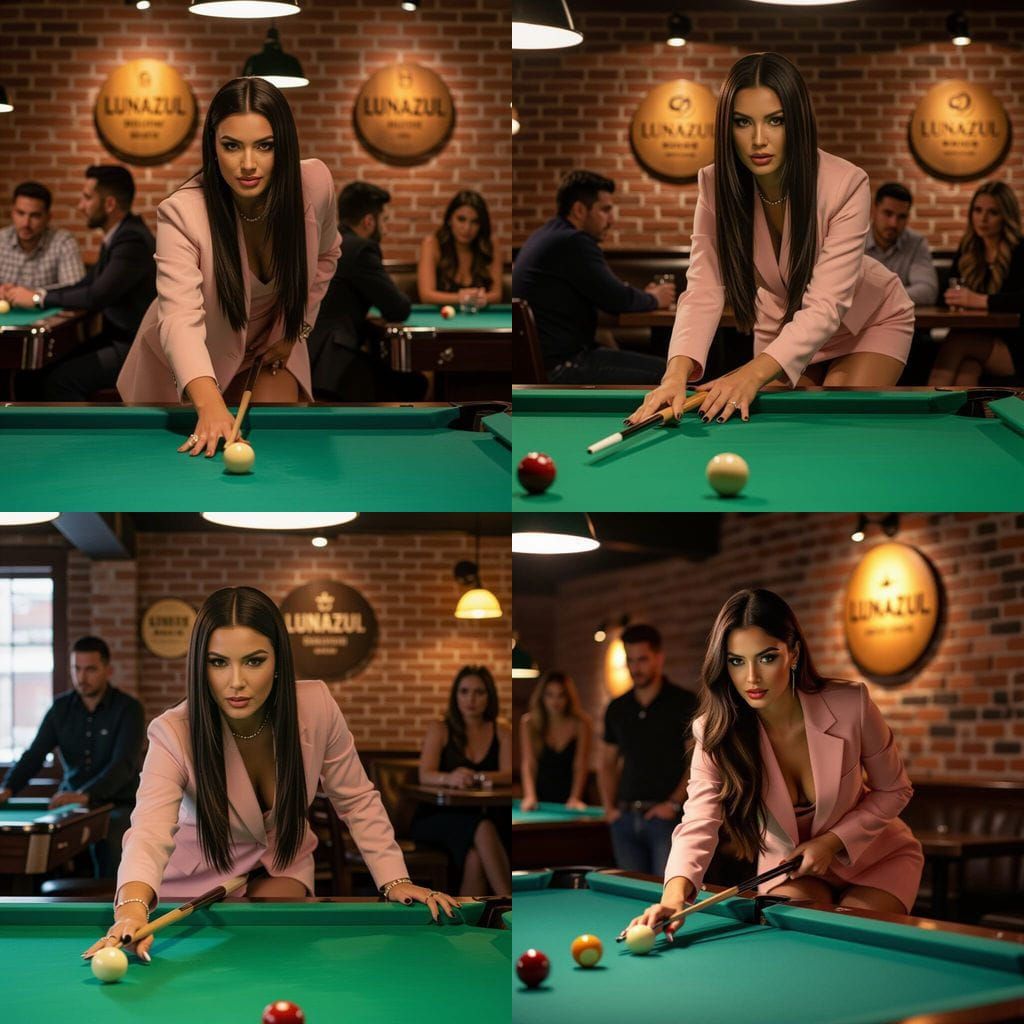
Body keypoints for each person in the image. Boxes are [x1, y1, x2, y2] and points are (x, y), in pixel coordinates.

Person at [81, 587, 459, 965]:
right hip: (194, 878)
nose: (236, 682)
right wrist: (131, 908)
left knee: (278, 960)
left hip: (280, 863)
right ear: (200, 665)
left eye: (253, 661)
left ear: (278, 660)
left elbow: (356, 798)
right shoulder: (172, 732)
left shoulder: (316, 707)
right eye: (218, 662)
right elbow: (148, 829)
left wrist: (395, 880)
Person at [628, 52, 915, 427]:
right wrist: (674, 376)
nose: (759, 140)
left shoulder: (846, 183)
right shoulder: (715, 185)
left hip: (870, 320)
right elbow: (703, 289)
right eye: (743, 122)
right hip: (780, 326)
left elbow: (827, 304)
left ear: (796, 123)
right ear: (727, 128)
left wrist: (749, 373)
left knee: (832, 420)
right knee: (776, 425)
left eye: (775, 121)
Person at [625, 589, 924, 942]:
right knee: (792, 944)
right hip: (793, 871)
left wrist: (831, 842)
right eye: (737, 661)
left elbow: (895, 788)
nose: (751, 678)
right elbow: (699, 820)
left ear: (793, 653)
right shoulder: (715, 731)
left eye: (766, 658)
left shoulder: (850, 705)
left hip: (878, 859)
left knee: (849, 939)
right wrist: (673, 897)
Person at [116, 77, 341, 457]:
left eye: (264, 146)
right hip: (194, 356)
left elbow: (326, 255)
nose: (248, 164)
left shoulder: (315, 184)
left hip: (271, 346)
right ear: (213, 147)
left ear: (283, 147)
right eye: (232, 146)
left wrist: (296, 329)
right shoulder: (182, 212)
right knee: (193, 467)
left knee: (282, 452)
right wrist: (207, 402)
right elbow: (180, 318)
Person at [6, 167, 156, 401]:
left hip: (134, 348)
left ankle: (78, 438)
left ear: (109, 204)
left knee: (59, 381)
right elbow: (84, 284)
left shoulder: (131, 240)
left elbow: (95, 296)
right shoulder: (119, 235)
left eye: (87, 197)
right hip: (117, 340)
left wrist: (37, 299)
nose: (80, 206)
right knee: (33, 373)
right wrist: (37, 292)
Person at [0, 636, 143, 878]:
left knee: (111, 842)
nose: (82, 677)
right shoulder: (60, 708)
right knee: (45, 846)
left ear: (108, 670)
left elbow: (124, 765)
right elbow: (34, 755)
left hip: (116, 803)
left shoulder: (129, 709)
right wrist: (8, 788)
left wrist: (86, 794)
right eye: (76, 668)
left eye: (90, 669)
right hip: (70, 805)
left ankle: (111, 906)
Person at [513, 170, 676, 383]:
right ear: (579, 210)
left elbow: (608, 291)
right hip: (562, 366)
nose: (612, 220)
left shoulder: (547, 234)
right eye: (605, 210)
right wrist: (656, 298)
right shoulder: (573, 242)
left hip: (550, 361)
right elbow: (618, 299)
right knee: (671, 375)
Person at [308, 181, 422, 401]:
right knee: (414, 384)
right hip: (331, 364)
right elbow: (398, 308)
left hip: (308, 357)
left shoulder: (327, 240)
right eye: (385, 220)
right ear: (369, 221)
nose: (386, 229)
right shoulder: (360, 249)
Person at [599, 624, 698, 876]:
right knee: (630, 895)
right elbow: (606, 762)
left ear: (659, 658)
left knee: (664, 893)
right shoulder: (617, 707)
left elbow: (696, 761)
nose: (635, 668)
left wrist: (674, 804)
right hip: (624, 817)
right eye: (630, 660)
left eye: (642, 659)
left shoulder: (683, 702)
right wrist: (609, 808)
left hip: (666, 819)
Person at [412, 666, 512, 895]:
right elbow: (424, 774)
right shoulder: (440, 728)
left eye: (479, 692)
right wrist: (450, 778)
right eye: (464, 691)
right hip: (438, 816)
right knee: (483, 826)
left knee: (476, 855)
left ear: (490, 696)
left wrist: (476, 777)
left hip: (489, 814)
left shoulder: (502, 730)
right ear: (455, 695)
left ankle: (471, 925)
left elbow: (507, 774)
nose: (471, 699)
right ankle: (507, 901)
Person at [929, 181, 1023, 386]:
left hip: (1014, 345)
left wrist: (979, 300)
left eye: (993, 212)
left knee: (957, 340)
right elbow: (945, 293)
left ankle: (926, 407)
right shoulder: (968, 249)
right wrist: (950, 298)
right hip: (978, 339)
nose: (983, 218)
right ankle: (955, 417)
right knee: (967, 371)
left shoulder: (1020, 250)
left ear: (1006, 217)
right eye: (978, 210)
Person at [519, 671, 593, 811]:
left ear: (568, 698)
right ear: (542, 697)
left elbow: (580, 764)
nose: (555, 701)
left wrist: (575, 797)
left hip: (573, 798)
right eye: (550, 695)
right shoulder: (529, 723)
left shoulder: (582, 724)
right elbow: (529, 763)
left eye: (561, 695)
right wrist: (530, 795)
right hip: (541, 799)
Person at [417, 190, 502, 309]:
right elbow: (426, 296)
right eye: (461, 219)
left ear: (481, 225)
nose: (467, 228)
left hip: (481, 318)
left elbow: (497, 295)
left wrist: (483, 298)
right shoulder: (432, 244)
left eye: (475, 222)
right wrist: (460, 298)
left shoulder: (490, 244)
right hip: (441, 320)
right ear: (449, 220)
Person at [0, 181, 84, 294]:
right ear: (12, 213)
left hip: (48, 311)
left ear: (48, 217)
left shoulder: (63, 242)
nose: (26, 223)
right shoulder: (2, 239)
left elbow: (76, 293)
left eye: (35, 216)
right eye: (20, 213)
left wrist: (33, 294)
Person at [864, 183, 938, 305]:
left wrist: (879, 297)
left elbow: (927, 291)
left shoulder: (916, 243)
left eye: (901, 217)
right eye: (888, 214)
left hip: (901, 322)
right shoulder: (855, 240)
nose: (893, 223)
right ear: (874, 210)